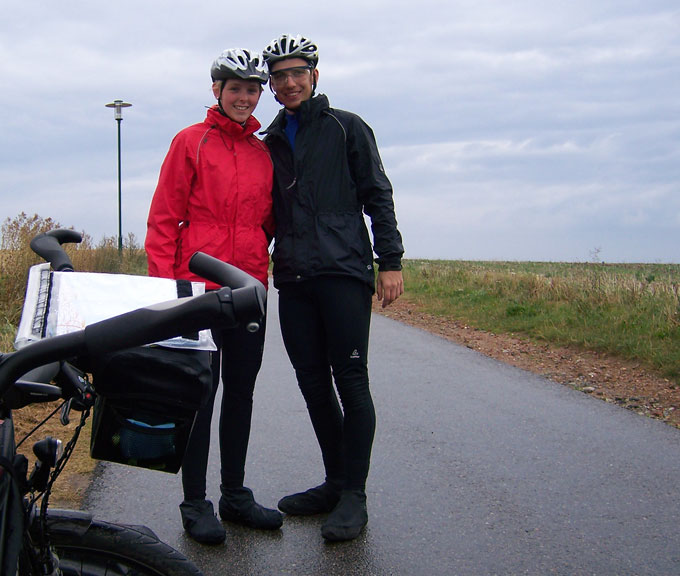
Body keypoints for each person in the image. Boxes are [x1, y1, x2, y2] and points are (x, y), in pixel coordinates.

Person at [261, 34, 405, 542]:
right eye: (279, 76)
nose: (289, 82)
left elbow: (377, 193)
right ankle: (335, 482)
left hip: (343, 271)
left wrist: (390, 261)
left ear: (314, 76)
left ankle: (354, 496)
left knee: (351, 380)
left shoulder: (347, 127)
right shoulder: (270, 140)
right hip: (293, 276)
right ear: (271, 85)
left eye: (297, 73)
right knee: (312, 383)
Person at [145, 48, 282, 545]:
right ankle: (195, 502)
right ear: (217, 91)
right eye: (235, 89)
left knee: (241, 393)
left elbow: (269, 222)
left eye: (252, 90)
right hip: (197, 290)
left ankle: (235, 496)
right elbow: (164, 218)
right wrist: (165, 290)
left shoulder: (263, 152)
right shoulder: (191, 141)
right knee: (201, 395)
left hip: (249, 289)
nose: (244, 98)